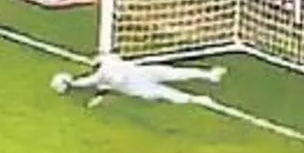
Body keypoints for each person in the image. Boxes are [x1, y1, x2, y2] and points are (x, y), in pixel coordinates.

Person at [51, 53, 225, 107]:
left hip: (142, 79)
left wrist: (70, 84)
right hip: (141, 80)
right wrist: (72, 84)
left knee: (172, 81)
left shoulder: (101, 73)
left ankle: (206, 82)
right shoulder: (103, 71)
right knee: (172, 83)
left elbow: (86, 83)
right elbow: (88, 83)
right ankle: (203, 88)